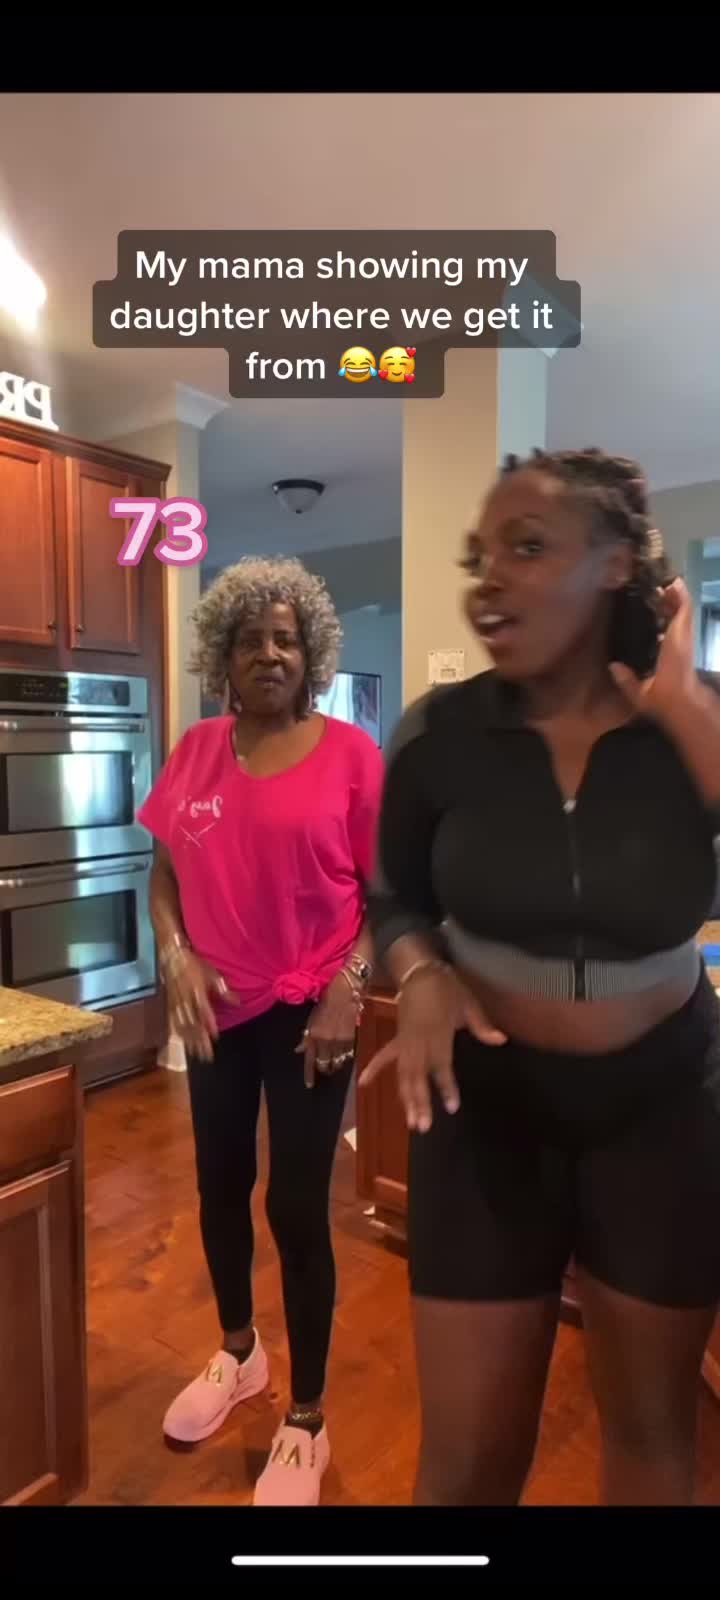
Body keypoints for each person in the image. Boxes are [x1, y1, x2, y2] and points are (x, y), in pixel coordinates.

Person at [362, 448, 720, 1507]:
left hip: (664, 1110)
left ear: (615, 565)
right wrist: (421, 972)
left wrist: (684, 709)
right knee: (465, 1466)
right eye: (479, 556)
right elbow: (391, 895)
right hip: (486, 1111)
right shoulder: (436, 734)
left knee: (652, 1440)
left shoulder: (695, 722)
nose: (488, 579)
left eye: (527, 547)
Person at [138, 557, 383, 1506]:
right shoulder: (197, 750)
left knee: (296, 1207)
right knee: (218, 1185)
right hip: (219, 1009)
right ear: (225, 658)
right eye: (251, 641)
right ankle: (240, 1354)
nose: (269, 654)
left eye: (286, 639)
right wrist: (173, 952)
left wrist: (347, 989)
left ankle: (307, 1416)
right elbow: (164, 874)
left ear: (310, 652)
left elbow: (388, 896)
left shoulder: (352, 756)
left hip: (312, 1014)